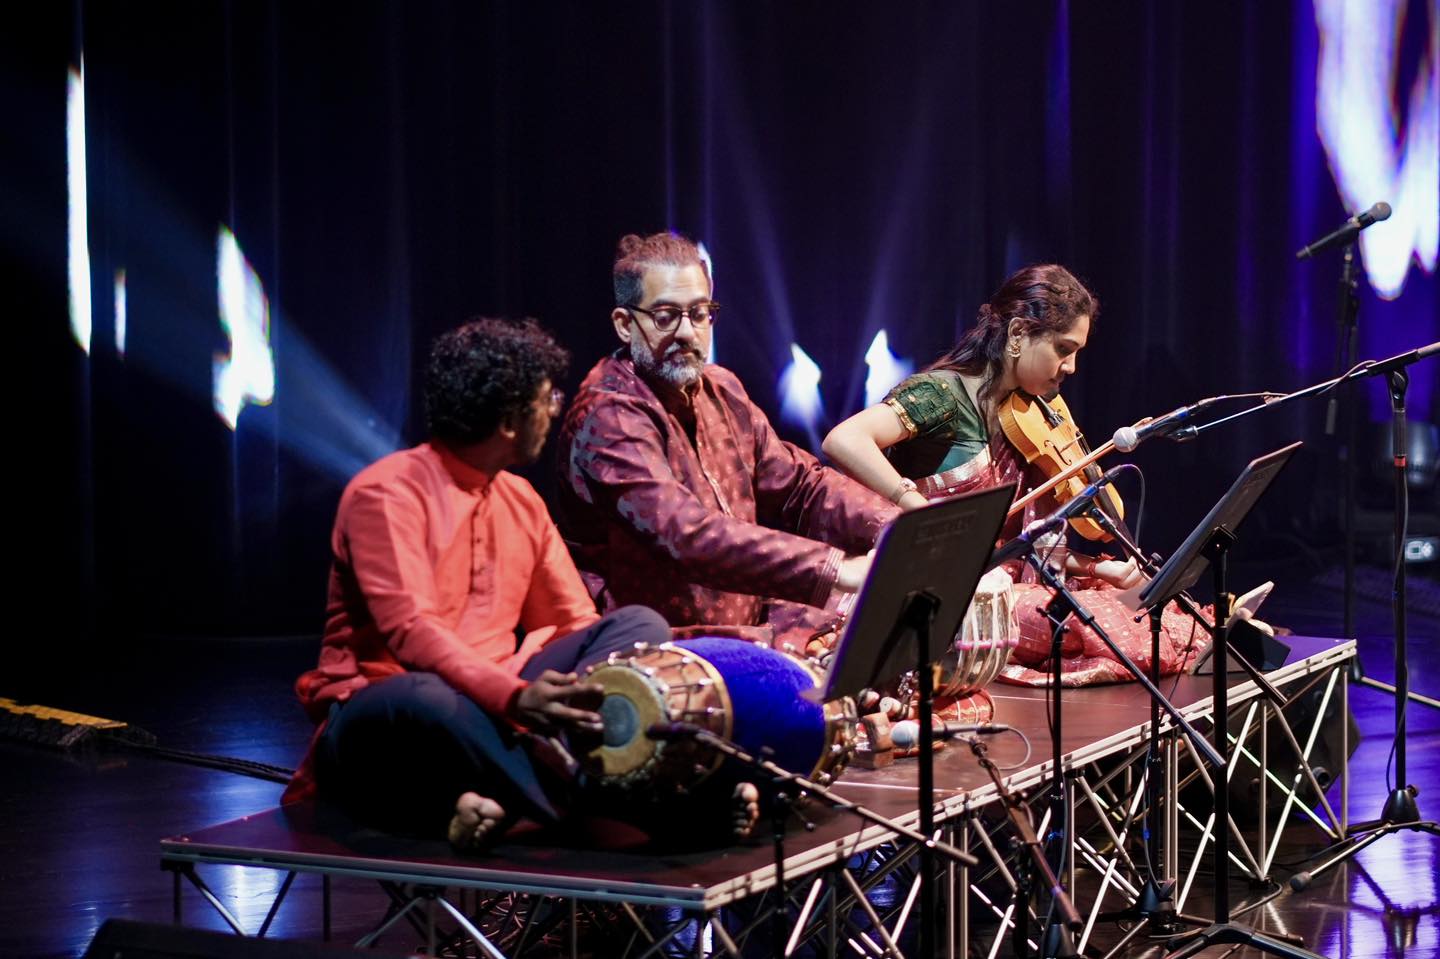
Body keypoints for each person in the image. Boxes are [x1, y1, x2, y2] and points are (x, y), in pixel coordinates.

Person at [283, 318, 684, 851]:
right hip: (388, 719)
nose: (555, 409)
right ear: (510, 420)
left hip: (499, 706)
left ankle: (515, 798)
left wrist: (566, 690)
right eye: (546, 398)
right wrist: (516, 698)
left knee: (638, 625)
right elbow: (411, 634)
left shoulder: (519, 499)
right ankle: (622, 809)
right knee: (421, 695)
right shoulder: (385, 493)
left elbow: (574, 622)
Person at [823, 264, 1202, 685]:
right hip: (940, 592)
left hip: (999, 584)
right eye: (1063, 348)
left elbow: (1012, 547)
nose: (1072, 366)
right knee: (1096, 627)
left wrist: (1093, 569)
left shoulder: (1027, 412)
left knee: (1148, 609)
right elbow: (844, 439)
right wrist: (917, 507)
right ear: (1018, 333)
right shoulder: (944, 393)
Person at [555, 232, 900, 651]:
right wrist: (836, 569)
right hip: (656, 649)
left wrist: (895, 526)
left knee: (886, 625)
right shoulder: (608, 414)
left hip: (747, 632)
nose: (687, 331)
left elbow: (800, 488)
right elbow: (685, 534)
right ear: (625, 325)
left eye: (700, 313)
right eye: (666, 316)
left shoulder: (722, 390)